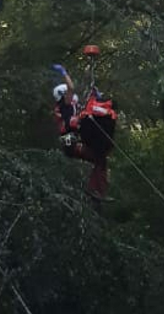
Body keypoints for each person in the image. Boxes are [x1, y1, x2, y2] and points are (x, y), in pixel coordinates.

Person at [51, 64, 115, 210]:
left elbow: (85, 112)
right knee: (100, 158)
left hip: (72, 144)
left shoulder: (69, 109)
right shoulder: (64, 105)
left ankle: (96, 191)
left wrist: (95, 96)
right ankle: (95, 190)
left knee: (100, 159)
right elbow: (71, 88)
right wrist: (64, 73)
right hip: (72, 144)